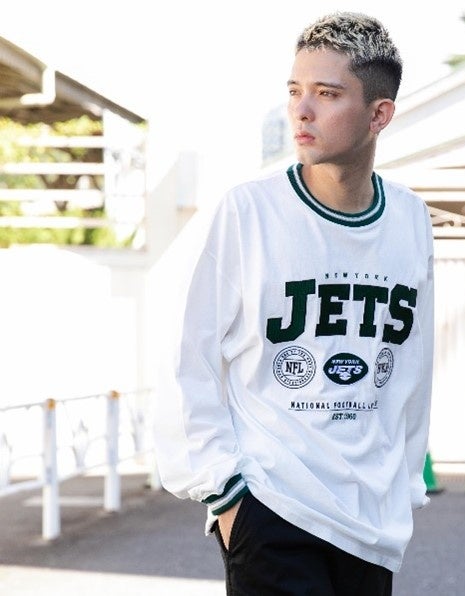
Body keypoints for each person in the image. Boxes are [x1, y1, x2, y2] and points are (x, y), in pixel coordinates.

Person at [153, 11, 434, 596]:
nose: (301, 111)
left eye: (326, 94)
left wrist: (404, 486)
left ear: (379, 114)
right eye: (294, 90)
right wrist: (226, 495)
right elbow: (187, 359)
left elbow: (413, 366)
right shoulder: (248, 212)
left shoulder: (410, 219)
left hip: (371, 524)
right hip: (274, 509)